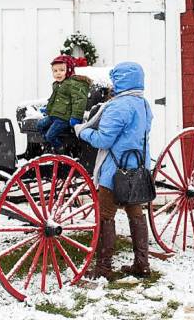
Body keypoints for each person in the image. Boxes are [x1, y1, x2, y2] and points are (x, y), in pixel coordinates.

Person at [74, 61, 153, 279]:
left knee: (105, 216)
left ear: (121, 80)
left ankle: (103, 268)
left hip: (114, 171)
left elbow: (103, 140)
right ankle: (141, 264)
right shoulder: (143, 104)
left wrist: (81, 131)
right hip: (136, 171)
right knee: (135, 213)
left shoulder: (118, 106)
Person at [37, 55, 91, 153]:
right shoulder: (57, 84)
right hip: (54, 115)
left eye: (61, 70)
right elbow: (54, 99)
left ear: (69, 70)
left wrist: (76, 117)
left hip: (63, 118)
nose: (58, 73)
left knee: (50, 135)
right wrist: (48, 109)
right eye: (55, 71)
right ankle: (49, 144)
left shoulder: (72, 84)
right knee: (40, 125)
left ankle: (61, 150)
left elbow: (79, 100)